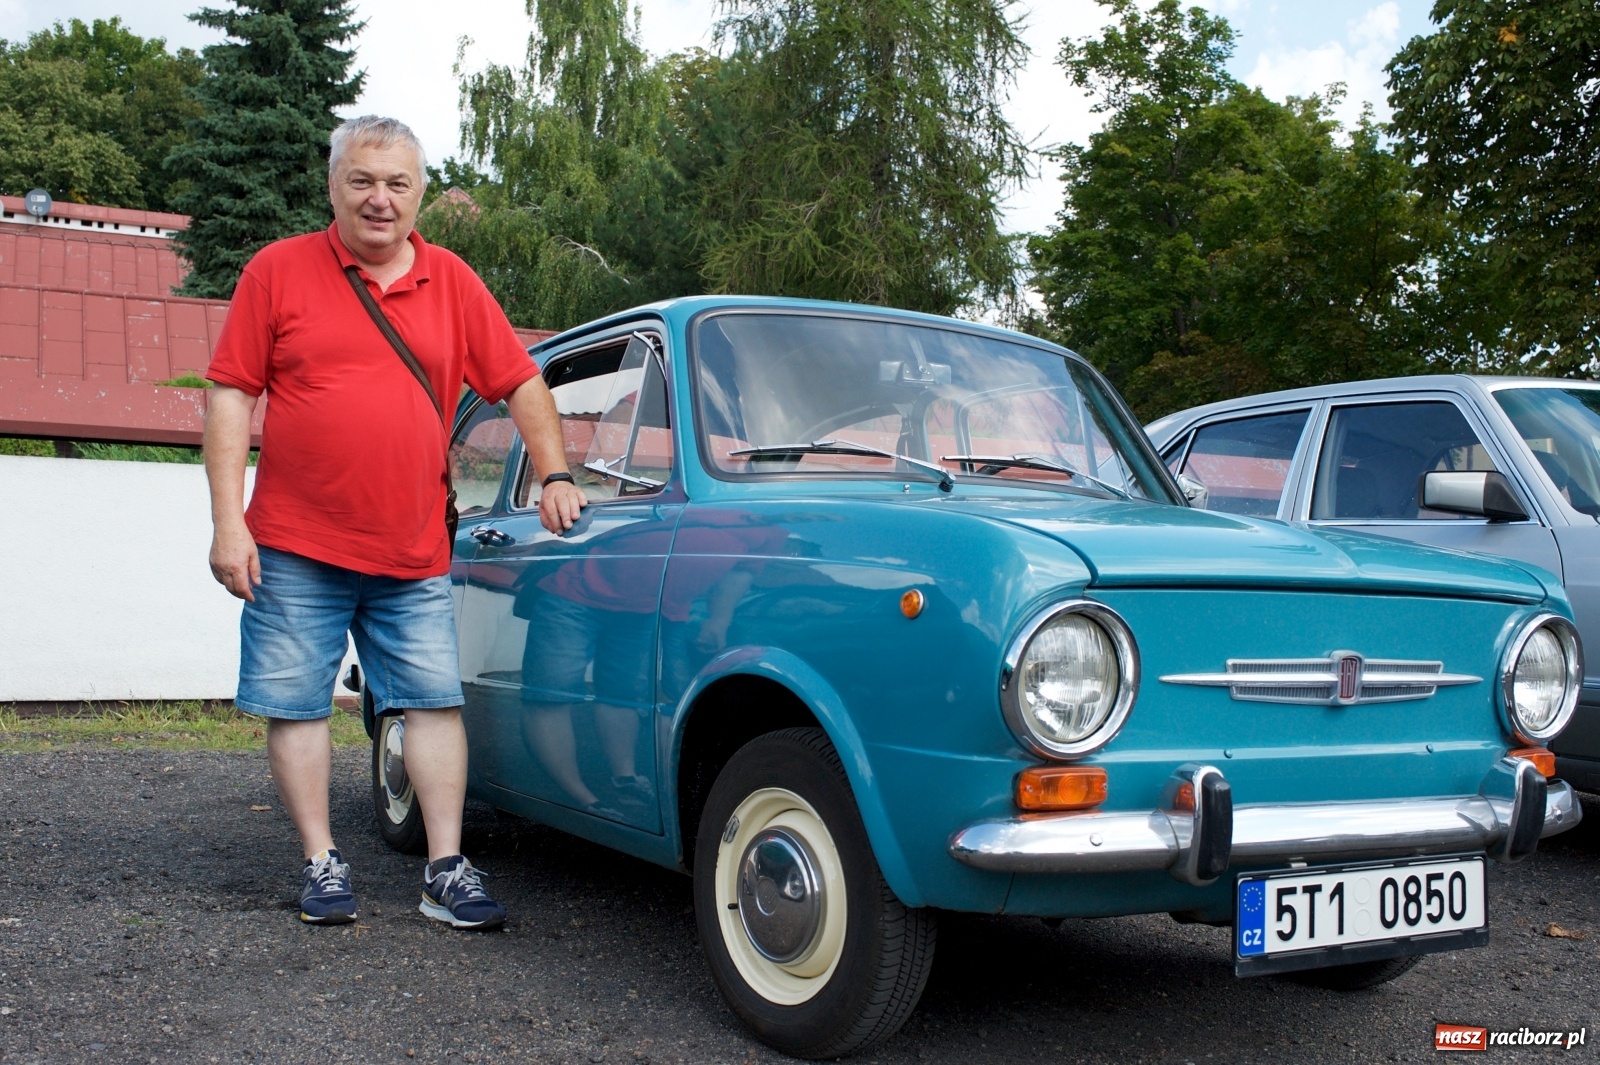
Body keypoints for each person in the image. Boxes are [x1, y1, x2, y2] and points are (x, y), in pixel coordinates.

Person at [203, 115, 586, 930]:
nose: (380, 199)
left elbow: (521, 382)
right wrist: (228, 522)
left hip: (412, 547)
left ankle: (445, 870)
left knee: (433, 703)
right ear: (333, 187)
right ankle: (321, 861)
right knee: (298, 704)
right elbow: (232, 393)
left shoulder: (453, 281)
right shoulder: (277, 270)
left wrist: (554, 471)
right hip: (295, 543)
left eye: (397, 183)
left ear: (418, 195)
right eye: (363, 181)